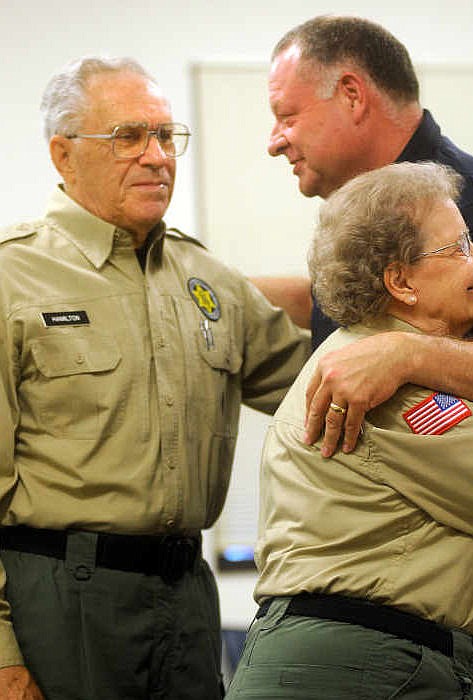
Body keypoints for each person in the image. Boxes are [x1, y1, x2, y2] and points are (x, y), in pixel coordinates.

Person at [0, 56, 311, 700]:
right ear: (64, 155)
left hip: (184, 593)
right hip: (59, 595)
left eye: (166, 135)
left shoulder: (207, 280)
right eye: (128, 136)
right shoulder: (13, 278)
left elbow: (318, 384)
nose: (156, 156)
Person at [252, 18, 473, 696]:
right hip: (371, 658)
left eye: (287, 115)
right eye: (458, 251)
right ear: (395, 281)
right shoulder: (384, 375)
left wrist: (407, 349)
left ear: (350, 93)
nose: (273, 140)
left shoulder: (460, 209)